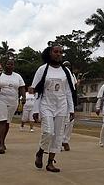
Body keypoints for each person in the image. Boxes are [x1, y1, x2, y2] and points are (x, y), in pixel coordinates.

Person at [32, 45, 77, 173]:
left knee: (58, 135)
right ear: (50, 53)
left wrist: (71, 109)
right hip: (46, 104)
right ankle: (40, 151)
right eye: (56, 52)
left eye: (61, 52)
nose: (58, 54)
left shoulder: (66, 71)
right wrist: (35, 109)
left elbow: (69, 92)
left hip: (62, 106)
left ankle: (50, 162)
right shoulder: (42, 69)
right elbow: (37, 91)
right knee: (48, 132)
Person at [0, 58, 26, 154]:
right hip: (0, 99)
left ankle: (3, 140)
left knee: (7, 122)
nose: (10, 66)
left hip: (13, 101)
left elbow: (22, 87)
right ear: (5, 65)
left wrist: (24, 97)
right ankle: (0, 144)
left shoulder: (17, 76)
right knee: (2, 120)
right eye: (8, 64)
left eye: (12, 64)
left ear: (14, 66)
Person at [61, 61, 78, 151]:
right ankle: (58, 142)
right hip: (61, 100)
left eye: (68, 65)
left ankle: (65, 140)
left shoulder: (73, 76)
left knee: (70, 122)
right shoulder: (60, 75)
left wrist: (74, 104)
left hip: (70, 100)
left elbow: (74, 90)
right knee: (61, 122)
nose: (67, 67)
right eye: (65, 66)